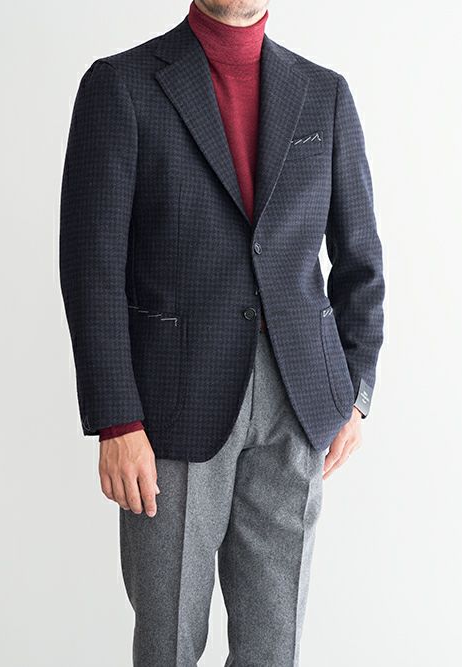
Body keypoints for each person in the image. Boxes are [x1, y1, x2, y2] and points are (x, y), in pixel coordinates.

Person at [59, 1, 385, 664]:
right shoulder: (120, 86)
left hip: (298, 405)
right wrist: (116, 420)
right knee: (168, 643)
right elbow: (92, 268)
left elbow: (361, 260)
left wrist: (355, 393)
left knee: (274, 646)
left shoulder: (323, 93)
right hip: (169, 409)